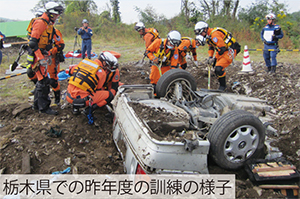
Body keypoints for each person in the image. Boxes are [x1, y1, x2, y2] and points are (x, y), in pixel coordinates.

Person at [28, 1, 64, 115]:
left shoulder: (49, 25)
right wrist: (40, 58)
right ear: (51, 13)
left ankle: (36, 105)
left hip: (43, 54)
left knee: (41, 81)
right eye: (56, 14)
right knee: (43, 82)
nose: (57, 16)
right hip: (38, 56)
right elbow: (33, 43)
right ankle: (44, 108)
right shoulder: (40, 23)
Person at [66, 51, 118, 116]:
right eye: (108, 66)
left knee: (79, 85)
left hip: (69, 96)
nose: (108, 69)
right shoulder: (101, 72)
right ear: (104, 63)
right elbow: (98, 89)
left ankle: (75, 109)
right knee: (109, 95)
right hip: (82, 100)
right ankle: (88, 110)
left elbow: (71, 71)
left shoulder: (83, 62)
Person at [194, 21, 241, 91]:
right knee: (214, 65)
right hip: (223, 50)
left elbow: (221, 48)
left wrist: (215, 58)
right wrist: (210, 57)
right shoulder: (208, 36)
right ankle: (220, 80)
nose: (201, 35)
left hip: (230, 50)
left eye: (201, 33)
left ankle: (223, 87)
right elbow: (211, 47)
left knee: (219, 68)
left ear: (205, 29)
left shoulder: (214, 35)